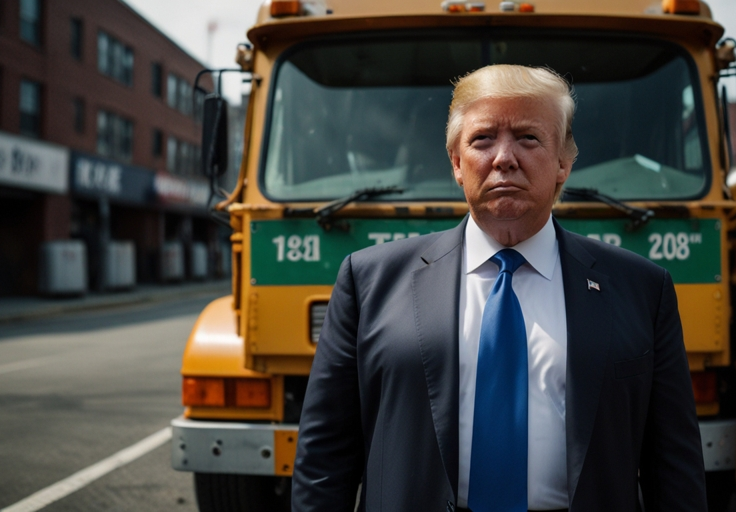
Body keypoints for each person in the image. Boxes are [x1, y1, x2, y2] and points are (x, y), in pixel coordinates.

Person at [291, 64, 707, 512]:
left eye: (528, 138)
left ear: (564, 161)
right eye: (482, 139)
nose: (504, 157)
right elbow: (325, 461)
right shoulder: (369, 281)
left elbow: (674, 467)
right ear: (456, 162)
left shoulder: (642, 289)